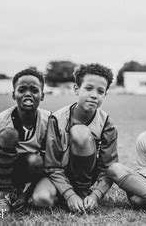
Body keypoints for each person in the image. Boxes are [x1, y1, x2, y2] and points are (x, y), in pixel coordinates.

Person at [36, 63, 118, 213]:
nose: (94, 95)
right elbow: (52, 165)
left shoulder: (107, 123)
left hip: (86, 179)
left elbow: (108, 168)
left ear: (105, 95)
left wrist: (96, 195)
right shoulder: (57, 118)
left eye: (100, 91)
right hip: (59, 175)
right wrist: (69, 195)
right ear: (76, 89)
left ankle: (82, 192)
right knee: (41, 199)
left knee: (80, 133)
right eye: (88, 88)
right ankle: (65, 195)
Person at [0, 68, 50, 213]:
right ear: (14, 94)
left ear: (42, 96)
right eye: (22, 90)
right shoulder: (2, 120)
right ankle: (4, 194)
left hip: (24, 167)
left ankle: (18, 189)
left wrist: (27, 195)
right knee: (9, 134)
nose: (28, 94)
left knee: (37, 161)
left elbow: (48, 162)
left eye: (34, 90)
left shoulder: (48, 121)